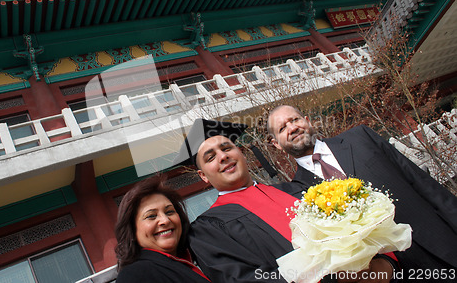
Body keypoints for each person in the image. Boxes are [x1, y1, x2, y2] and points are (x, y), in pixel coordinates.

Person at [175, 118, 397, 283]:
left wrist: (384, 264)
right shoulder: (206, 231)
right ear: (203, 176)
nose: (223, 157)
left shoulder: (301, 190)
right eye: (211, 157)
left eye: (226, 148)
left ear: (241, 154)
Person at [267, 105, 457, 280]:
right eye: (282, 128)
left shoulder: (361, 137)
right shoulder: (301, 194)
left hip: (440, 242)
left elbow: (419, 181)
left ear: (307, 120)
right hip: (399, 271)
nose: (292, 128)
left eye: (295, 120)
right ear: (276, 144)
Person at [114, 175, 211, 283]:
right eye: (151, 216)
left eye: (169, 212)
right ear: (132, 230)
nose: (165, 220)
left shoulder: (197, 257)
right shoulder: (134, 275)